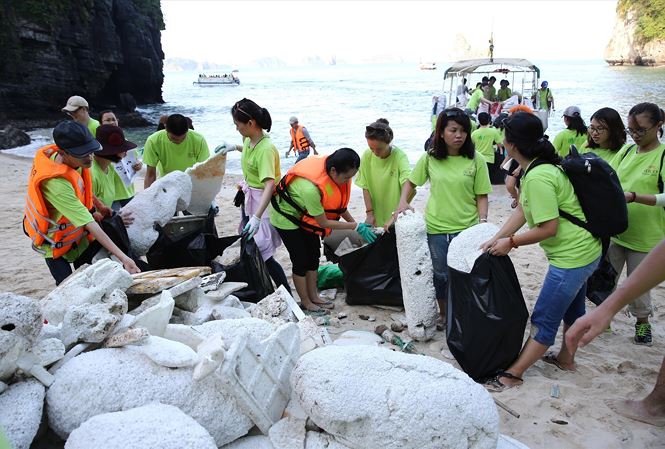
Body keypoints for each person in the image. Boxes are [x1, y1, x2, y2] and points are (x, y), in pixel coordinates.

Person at [480, 112, 601, 391]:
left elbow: (548, 228)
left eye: (504, 136)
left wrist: (511, 243)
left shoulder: (538, 176)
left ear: (511, 144)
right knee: (573, 308)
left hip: (572, 256)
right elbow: (524, 210)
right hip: (584, 250)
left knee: (544, 317)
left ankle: (514, 374)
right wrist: (497, 236)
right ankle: (566, 360)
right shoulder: (536, 167)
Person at [393, 108, 491, 324]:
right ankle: (445, 314)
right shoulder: (430, 158)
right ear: (441, 132)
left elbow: (481, 195)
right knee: (441, 276)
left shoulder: (476, 159)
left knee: (465, 274)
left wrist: (482, 223)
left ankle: (465, 312)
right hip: (436, 228)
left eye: (463, 131)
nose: (459, 135)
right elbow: (411, 182)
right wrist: (402, 203)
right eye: (453, 130)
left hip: (467, 229)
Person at [23, 121, 140, 285]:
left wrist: (99, 206)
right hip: (54, 242)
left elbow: (81, 187)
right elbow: (90, 223)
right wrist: (124, 258)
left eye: (91, 151)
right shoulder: (56, 184)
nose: (90, 157)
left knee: (88, 278)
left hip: (76, 237)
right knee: (67, 286)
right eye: (83, 153)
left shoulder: (76, 160)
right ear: (64, 153)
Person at [566, 238, 665, 427]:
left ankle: (642, 322)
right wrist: (608, 309)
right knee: (608, 281)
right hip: (620, 237)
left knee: (641, 293)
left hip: (645, 241)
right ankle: (657, 406)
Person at [271, 148, 376, 312]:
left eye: (351, 177)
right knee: (300, 260)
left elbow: (338, 208)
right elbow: (324, 222)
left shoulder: (337, 173)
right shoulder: (311, 188)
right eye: (347, 177)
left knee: (313, 256)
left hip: (306, 213)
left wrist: (358, 226)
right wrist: (355, 226)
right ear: (333, 170)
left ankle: (315, 297)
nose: (348, 180)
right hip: (286, 217)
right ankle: (306, 302)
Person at [607, 102, 665, 346]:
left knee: (639, 287)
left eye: (640, 129)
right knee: (606, 280)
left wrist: (634, 197)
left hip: (647, 236)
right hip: (617, 231)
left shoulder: (662, 156)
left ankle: (642, 323)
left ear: (658, 126)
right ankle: (604, 319)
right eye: (631, 129)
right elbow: (610, 179)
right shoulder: (627, 152)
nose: (635, 135)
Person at [223, 98, 291, 293]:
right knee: (250, 245)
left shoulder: (267, 149)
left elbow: (270, 184)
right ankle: (260, 286)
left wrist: (257, 217)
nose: (237, 129)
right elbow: (249, 152)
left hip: (264, 203)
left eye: (238, 125)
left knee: (264, 252)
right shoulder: (249, 140)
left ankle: (285, 292)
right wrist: (234, 147)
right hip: (248, 199)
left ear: (251, 123)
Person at [355, 119, 412, 228]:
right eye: (371, 148)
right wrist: (370, 213)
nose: (375, 153)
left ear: (389, 142)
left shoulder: (400, 156)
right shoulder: (367, 155)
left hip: (396, 214)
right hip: (376, 214)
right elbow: (365, 186)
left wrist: (395, 215)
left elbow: (408, 183)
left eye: (379, 149)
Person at [142, 114, 209, 189]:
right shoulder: (153, 141)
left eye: (182, 138)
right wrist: (148, 196)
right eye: (174, 139)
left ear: (187, 130)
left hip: (192, 183)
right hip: (166, 183)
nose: (179, 141)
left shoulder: (199, 140)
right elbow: (150, 174)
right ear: (166, 129)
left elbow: (204, 171)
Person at [91, 125, 137, 226]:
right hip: (93, 233)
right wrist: (115, 221)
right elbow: (87, 213)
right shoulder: (92, 174)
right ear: (111, 151)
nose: (126, 152)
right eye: (122, 149)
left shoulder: (110, 167)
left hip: (104, 226)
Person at [99, 110, 143, 208]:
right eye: (107, 120)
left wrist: (138, 166)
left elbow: (136, 161)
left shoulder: (126, 142)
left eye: (113, 119)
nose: (111, 122)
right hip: (111, 196)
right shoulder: (99, 146)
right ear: (100, 124)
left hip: (128, 192)